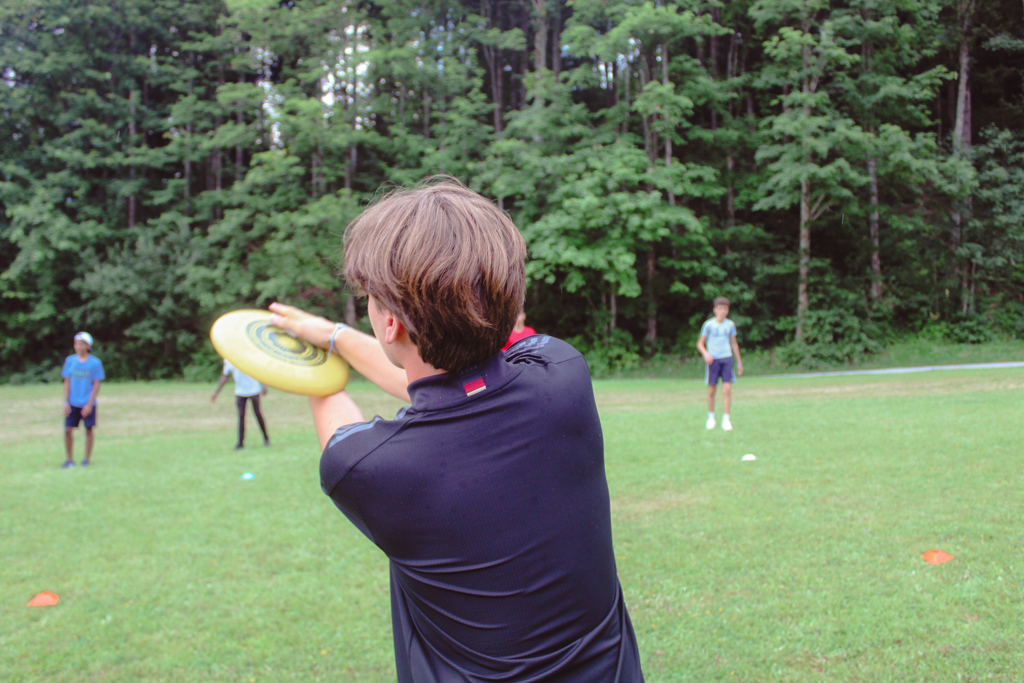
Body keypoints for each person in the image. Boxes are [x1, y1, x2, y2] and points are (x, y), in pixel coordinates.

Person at [268, 178, 643, 683]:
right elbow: (448, 389)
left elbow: (362, 413)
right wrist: (334, 335)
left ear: (389, 325)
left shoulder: (366, 468)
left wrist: (303, 361)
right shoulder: (562, 373)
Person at [696, 296, 744, 430]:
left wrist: (739, 363)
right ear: (715, 310)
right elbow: (700, 343)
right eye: (719, 308)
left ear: (727, 310)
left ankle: (726, 419)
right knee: (712, 391)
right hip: (713, 360)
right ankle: (711, 418)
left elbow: (734, 344)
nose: (722, 311)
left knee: (727, 390)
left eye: (724, 309)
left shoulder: (730, 325)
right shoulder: (709, 325)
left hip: (727, 359)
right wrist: (706, 354)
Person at [61, 332, 105, 468]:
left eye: (81, 344)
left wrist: (89, 404)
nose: (77, 347)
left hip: (87, 403)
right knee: (68, 430)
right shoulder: (70, 361)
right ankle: (69, 460)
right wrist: (65, 401)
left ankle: (86, 459)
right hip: (73, 402)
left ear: (87, 346)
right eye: (76, 344)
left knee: (89, 430)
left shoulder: (95, 363)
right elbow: (67, 381)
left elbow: (96, 384)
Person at [211, 359, 270, 449]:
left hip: (253, 390)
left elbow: (259, 371)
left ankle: (266, 439)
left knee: (258, 414)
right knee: (241, 416)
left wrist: (264, 386)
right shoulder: (229, 359)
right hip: (240, 392)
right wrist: (216, 392)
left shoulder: (248, 356)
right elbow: (225, 376)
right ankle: (240, 442)